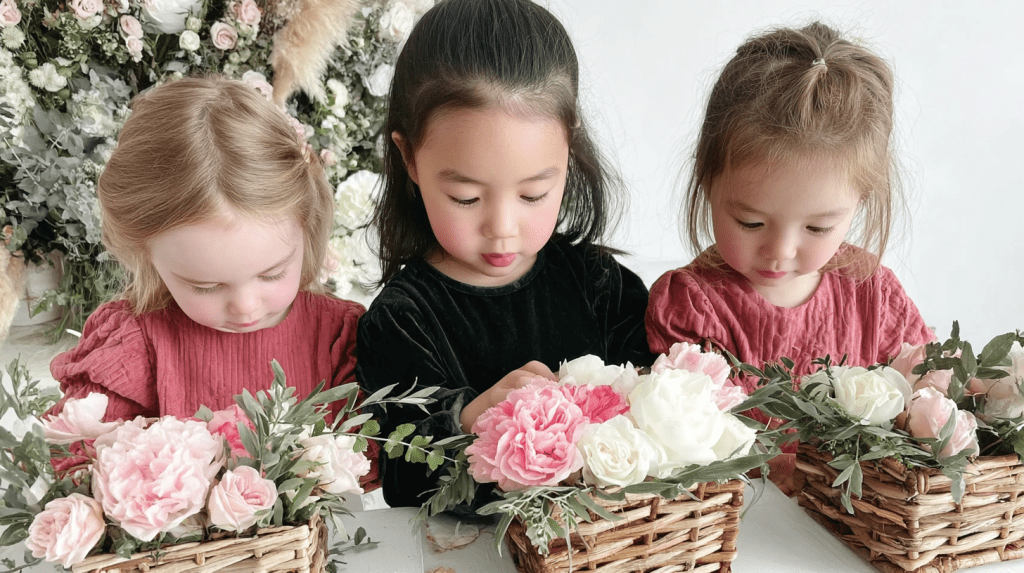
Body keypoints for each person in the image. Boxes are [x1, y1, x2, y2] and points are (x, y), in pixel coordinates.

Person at [356, 0, 654, 508]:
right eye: (466, 198)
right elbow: (404, 483)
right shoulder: (401, 322)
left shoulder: (603, 286)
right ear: (409, 158)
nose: (502, 229)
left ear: (567, 148)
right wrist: (472, 419)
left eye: (533, 194)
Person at [645, 22, 934, 493]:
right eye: (750, 223)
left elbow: (924, 396)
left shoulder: (872, 293)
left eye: (818, 228)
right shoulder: (692, 305)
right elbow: (690, 445)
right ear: (708, 181)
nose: (779, 252)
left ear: (860, 201)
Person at [48, 76, 365, 424]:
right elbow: (75, 455)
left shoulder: (341, 339)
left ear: (306, 228)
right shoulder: (134, 344)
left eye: (272, 273)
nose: (246, 307)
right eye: (205, 286)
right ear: (144, 252)